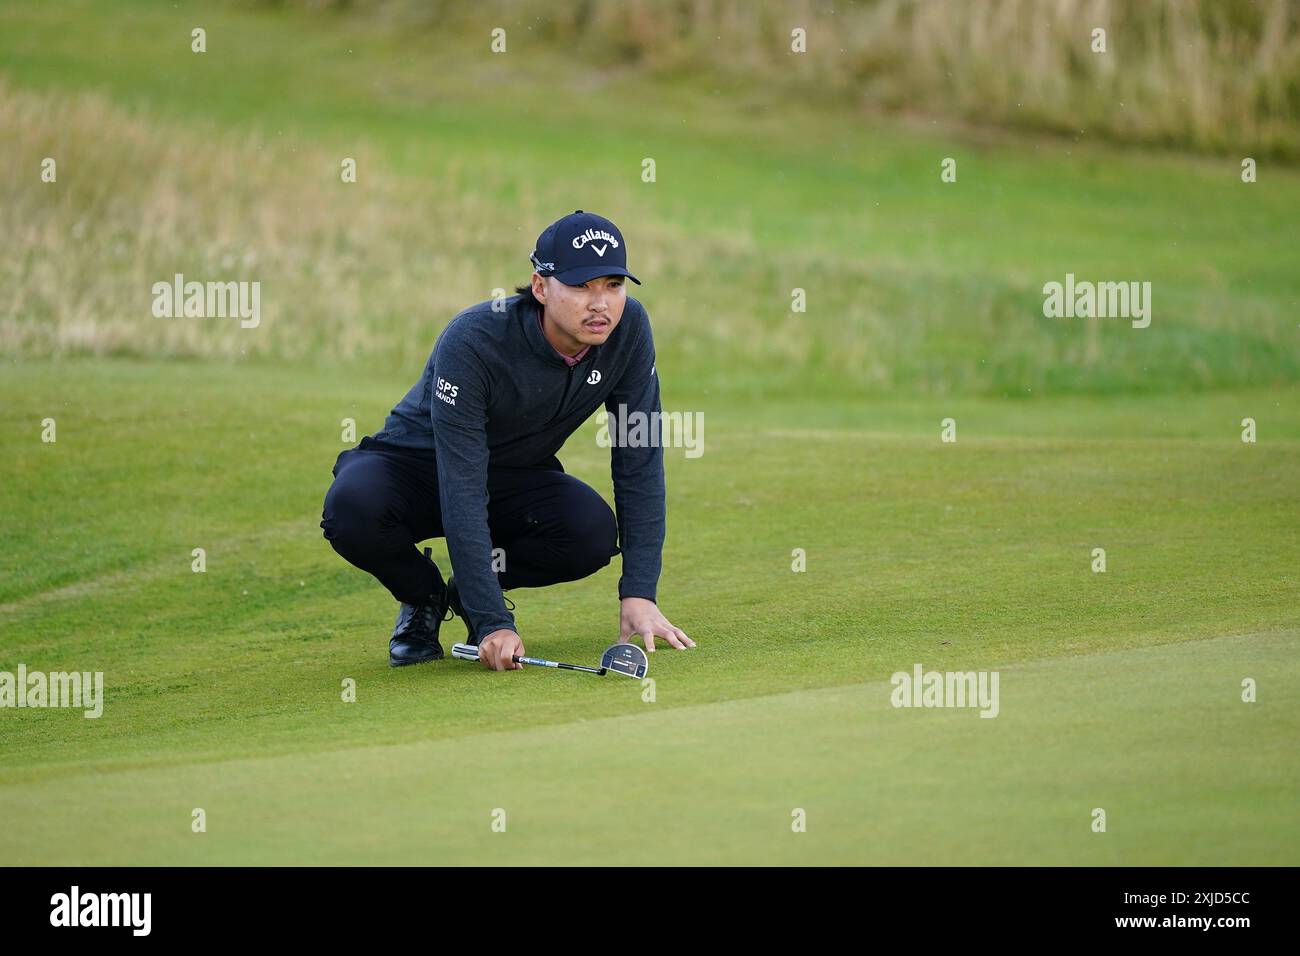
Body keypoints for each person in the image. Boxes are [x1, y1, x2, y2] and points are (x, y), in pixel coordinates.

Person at [321, 210, 695, 670]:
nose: (600, 304)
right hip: (413, 469)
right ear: (541, 287)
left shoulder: (629, 331)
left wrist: (640, 592)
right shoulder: (475, 340)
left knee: (590, 533)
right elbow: (461, 484)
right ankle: (425, 597)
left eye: (613, 285)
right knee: (352, 509)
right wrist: (491, 620)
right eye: (581, 287)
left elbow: (639, 457)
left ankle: (468, 587)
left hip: (513, 475)